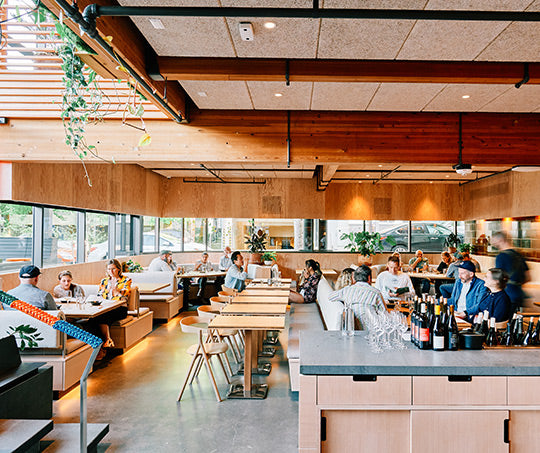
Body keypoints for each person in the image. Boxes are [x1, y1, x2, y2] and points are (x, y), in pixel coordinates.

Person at [329, 265, 386, 329]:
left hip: (353, 331)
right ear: (369, 278)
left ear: (354, 278)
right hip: (373, 331)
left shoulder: (347, 290)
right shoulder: (376, 293)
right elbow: (384, 315)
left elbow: (330, 297)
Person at [96, 259, 131, 349]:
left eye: (113, 269)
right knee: (93, 319)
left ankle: (106, 342)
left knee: (102, 317)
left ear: (118, 269)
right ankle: (104, 343)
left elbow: (126, 295)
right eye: (109, 269)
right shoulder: (104, 281)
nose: (111, 271)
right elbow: (99, 295)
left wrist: (118, 291)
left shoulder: (126, 280)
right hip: (106, 307)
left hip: (120, 308)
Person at [491, 231, 530, 311]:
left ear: (500, 240)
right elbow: (528, 277)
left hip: (506, 295)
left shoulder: (501, 257)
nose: (492, 243)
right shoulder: (519, 255)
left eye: (493, 240)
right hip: (519, 294)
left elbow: (498, 279)